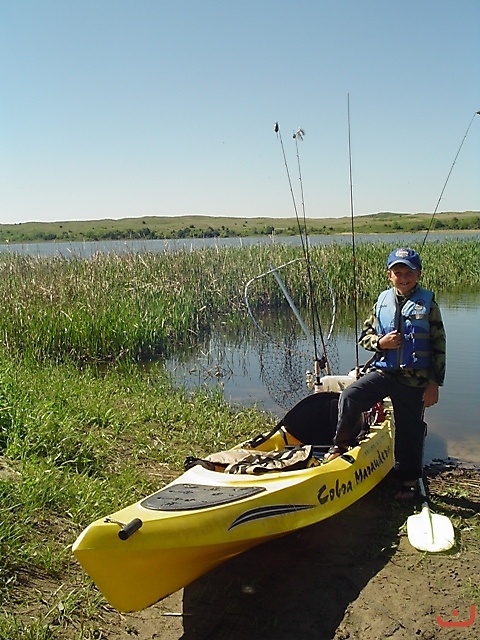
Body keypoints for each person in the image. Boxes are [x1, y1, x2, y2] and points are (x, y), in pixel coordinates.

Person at [324, 247, 446, 499]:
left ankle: (407, 482)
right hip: (384, 373)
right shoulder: (382, 301)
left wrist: (434, 383)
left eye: (409, 272)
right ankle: (341, 446)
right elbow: (364, 337)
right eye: (397, 272)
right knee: (350, 396)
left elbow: (438, 345)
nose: (403, 277)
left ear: (419, 274)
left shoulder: (429, 304)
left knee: (409, 429)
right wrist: (381, 343)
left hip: (414, 380)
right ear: (389, 275)